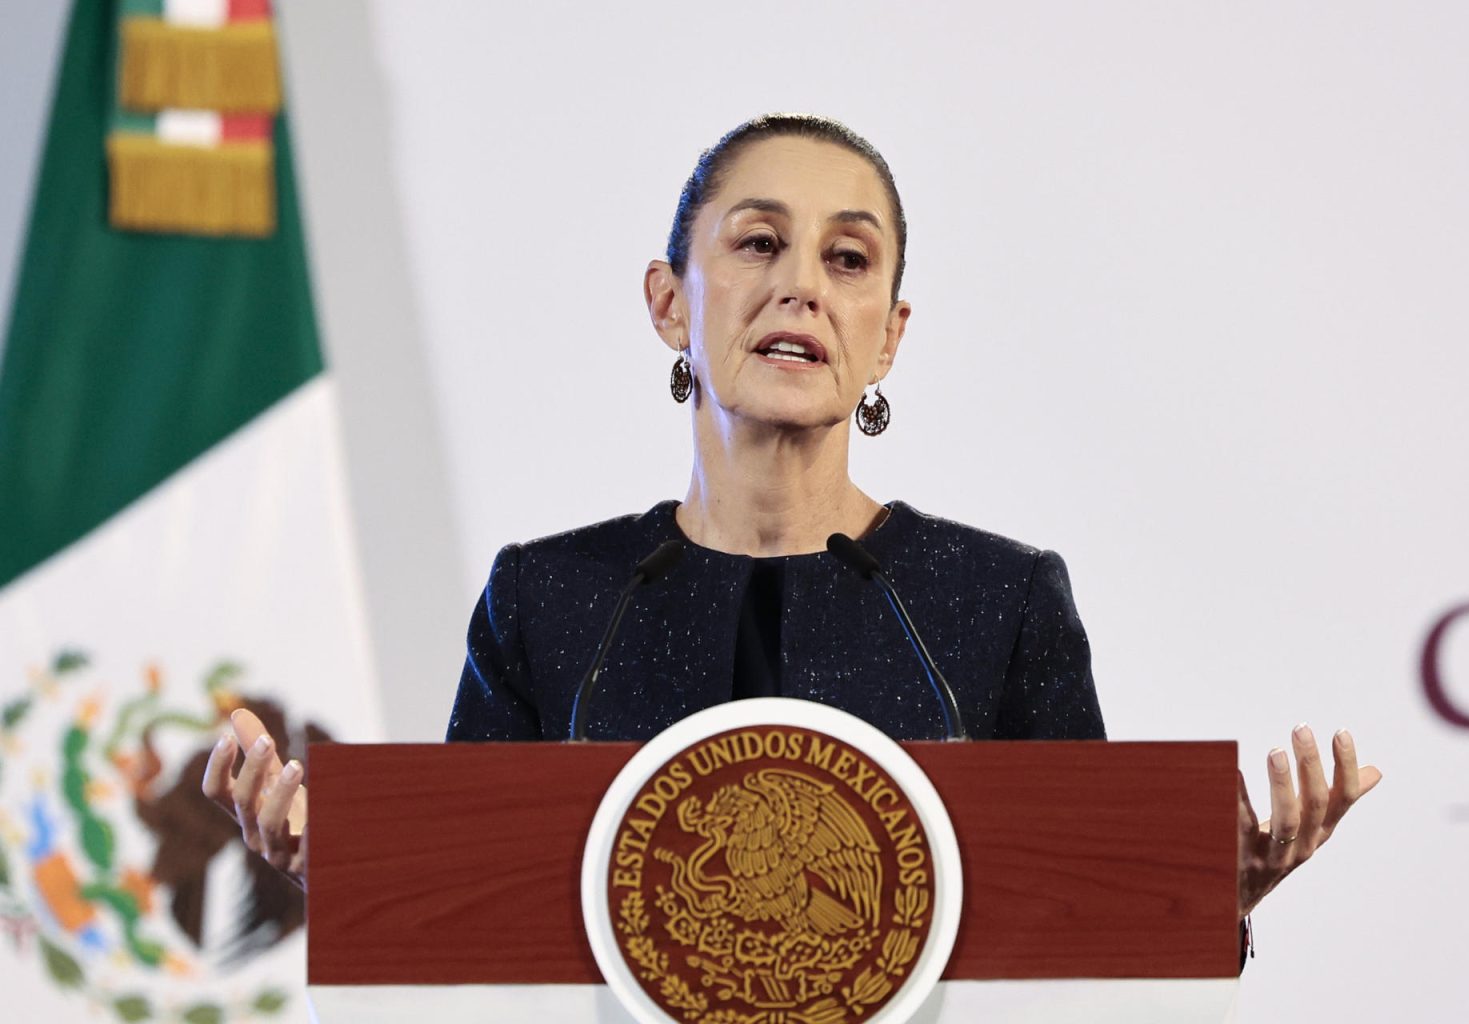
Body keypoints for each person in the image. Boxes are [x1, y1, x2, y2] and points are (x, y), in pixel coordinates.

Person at [202, 115, 1380, 939]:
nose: (802, 284)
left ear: (888, 334)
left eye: (849, 259)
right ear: (671, 301)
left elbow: (1072, 946)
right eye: (758, 242)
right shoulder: (545, 599)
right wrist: (343, 883)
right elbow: (471, 940)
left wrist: (1204, 904)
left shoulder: (1002, 600)